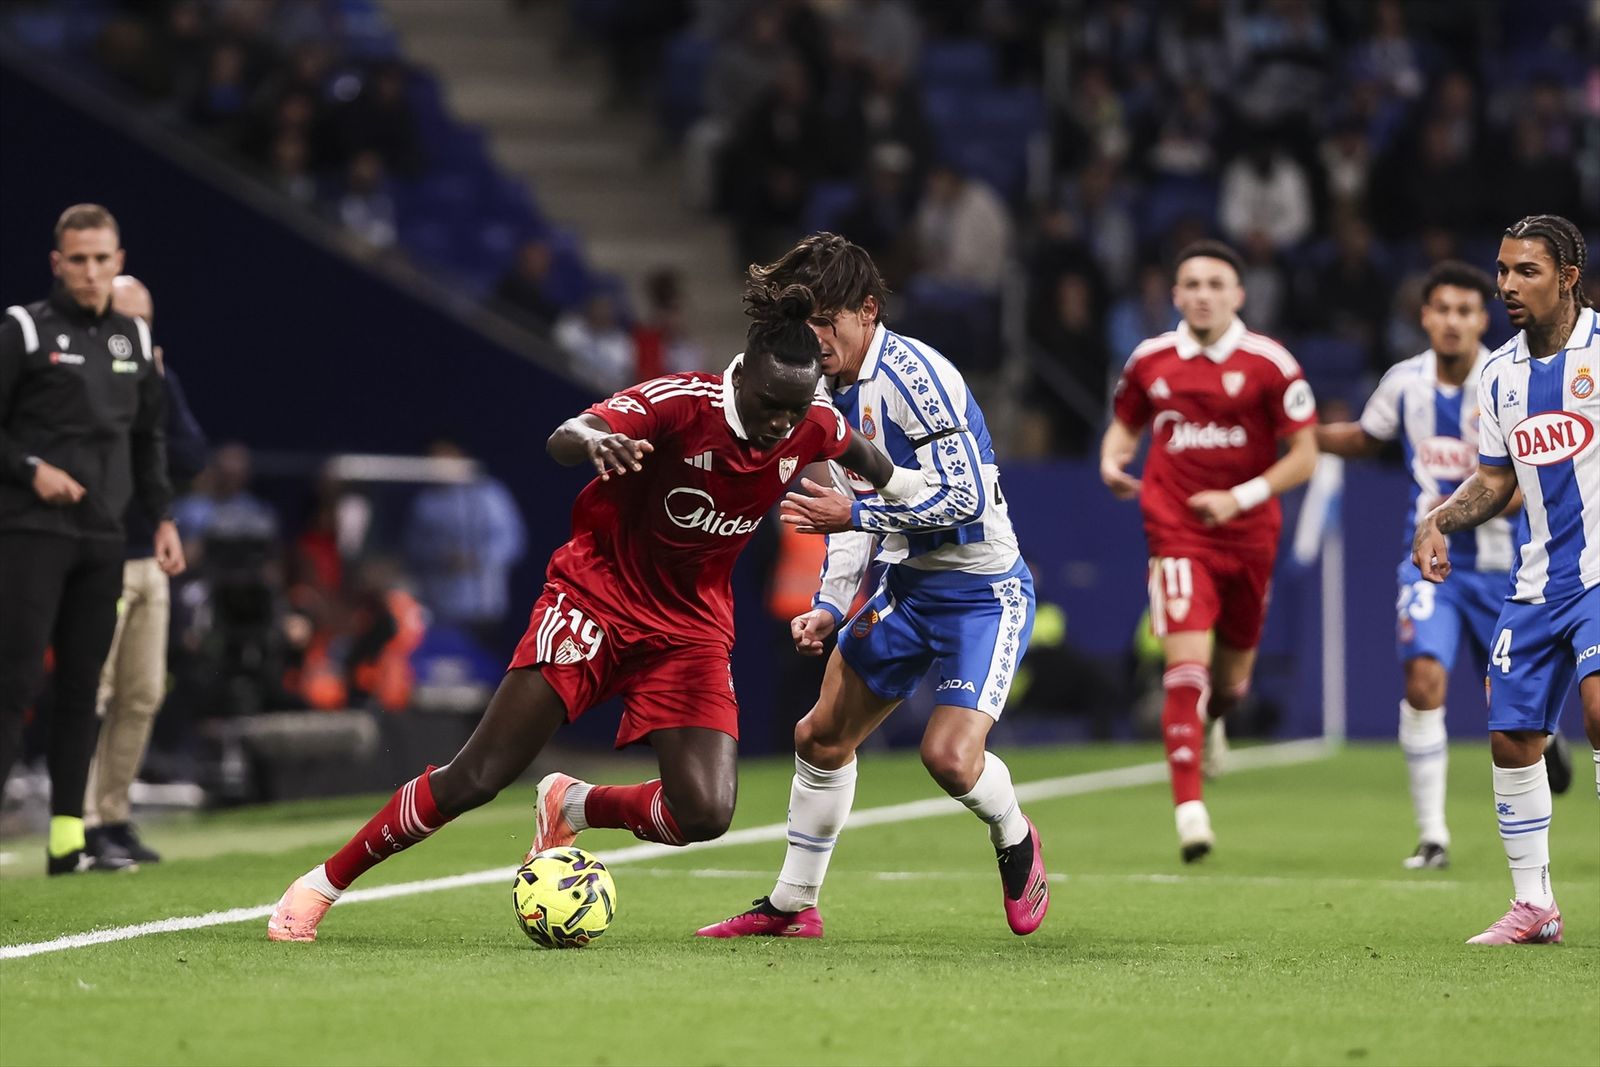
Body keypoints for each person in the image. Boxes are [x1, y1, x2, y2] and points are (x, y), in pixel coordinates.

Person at [267, 285, 906, 942]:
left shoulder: (812, 423)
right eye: (772, 404)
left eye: (796, 407)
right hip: (595, 599)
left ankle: (570, 801)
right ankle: (321, 883)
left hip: (690, 630)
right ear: (742, 373)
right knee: (479, 774)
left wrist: (905, 498)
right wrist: (595, 441)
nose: (782, 422)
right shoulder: (680, 404)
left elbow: (876, 465)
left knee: (705, 811)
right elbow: (568, 436)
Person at [697, 233, 1051, 940]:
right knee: (820, 735)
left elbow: (969, 496)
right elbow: (850, 508)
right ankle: (794, 904)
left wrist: (857, 510)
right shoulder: (820, 391)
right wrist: (831, 603)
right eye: (809, 324)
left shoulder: (921, 375)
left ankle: (1016, 837)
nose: (819, 338)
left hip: (984, 591)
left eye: (830, 320)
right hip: (909, 587)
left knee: (948, 758)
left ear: (868, 310)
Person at [1316, 260, 1572, 871]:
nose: (1453, 322)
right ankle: (1433, 837)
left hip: (1511, 573)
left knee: (1518, 715)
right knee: (1423, 679)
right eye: (1442, 310)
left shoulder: (1509, 378)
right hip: (1429, 567)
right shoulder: (1403, 382)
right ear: (1425, 317)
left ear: (1480, 318)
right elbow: (1365, 437)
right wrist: (1297, 431)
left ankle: (1551, 739)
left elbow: (1525, 479)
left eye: (1465, 311)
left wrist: (1470, 512)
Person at [1412, 215, 1599, 946]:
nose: (1507, 285)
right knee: (1512, 738)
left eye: (1527, 271)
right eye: (1503, 270)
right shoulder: (1501, 375)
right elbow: (1494, 479)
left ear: (1569, 278)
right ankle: (1535, 905)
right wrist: (1440, 519)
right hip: (1536, 582)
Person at [1100, 239, 1319, 863]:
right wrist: (1111, 460)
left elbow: (1304, 456)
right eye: (1191, 284)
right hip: (1176, 531)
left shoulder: (1270, 364)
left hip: (1249, 536)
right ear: (1175, 295)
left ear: (1238, 295)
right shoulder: (1149, 360)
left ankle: (1216, 720)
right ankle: (1190, 810)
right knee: (1185, 667)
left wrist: (1240, 497)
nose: (1202, 294)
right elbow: (1126, 423)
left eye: (1215, 284)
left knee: (1228, 685)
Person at [0, 204, 185, 875]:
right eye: (77, 259)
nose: (89, 271)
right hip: (31, 532)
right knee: (14, 683)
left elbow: (146, 442)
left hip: (104, 538)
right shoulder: (23, 328)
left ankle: (66, 840)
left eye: (101, 259)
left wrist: (162, 518)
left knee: (83, 690)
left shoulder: (132, 340)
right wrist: (30, 469)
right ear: (57, 262)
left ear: (118, 259)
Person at [83, 275, 209, 867]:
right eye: (123, 319)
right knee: (94, 692)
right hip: (99, 553)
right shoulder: (81, 381)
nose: (134, 332)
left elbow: (190, 457)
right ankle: (78, 823)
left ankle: (113, 816)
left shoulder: (158, 380)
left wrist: (155, 385)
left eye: (143, 320)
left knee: (142, 694)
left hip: (148, 556)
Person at [402, 439, 527, 651]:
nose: (440, 464)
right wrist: (440, 556)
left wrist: (478, 557)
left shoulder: (488, 493)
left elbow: (512, 540)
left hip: (482, 608)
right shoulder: (425, 502)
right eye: (434, 458)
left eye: (445, 457)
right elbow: (412, 547)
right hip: (438, 608)